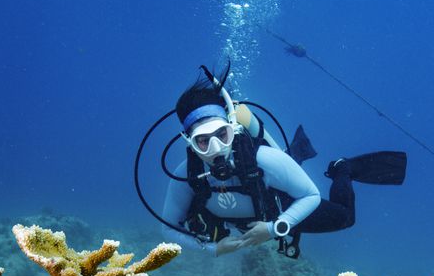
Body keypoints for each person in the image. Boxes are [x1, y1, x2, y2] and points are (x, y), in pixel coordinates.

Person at [160, 67, 406, 257]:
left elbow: (310, 195)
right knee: (286, 167)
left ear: (233, 130)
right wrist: (213, 250)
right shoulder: (186, 176)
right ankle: (295, 155)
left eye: (222, 135)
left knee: (345, 218)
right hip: (256, 205)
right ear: (189, 141)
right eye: (202, 141)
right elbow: (167, 229)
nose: (216, 150)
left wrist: (275, 227)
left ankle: (343, 167)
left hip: (280, 206)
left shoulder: (265, 159)